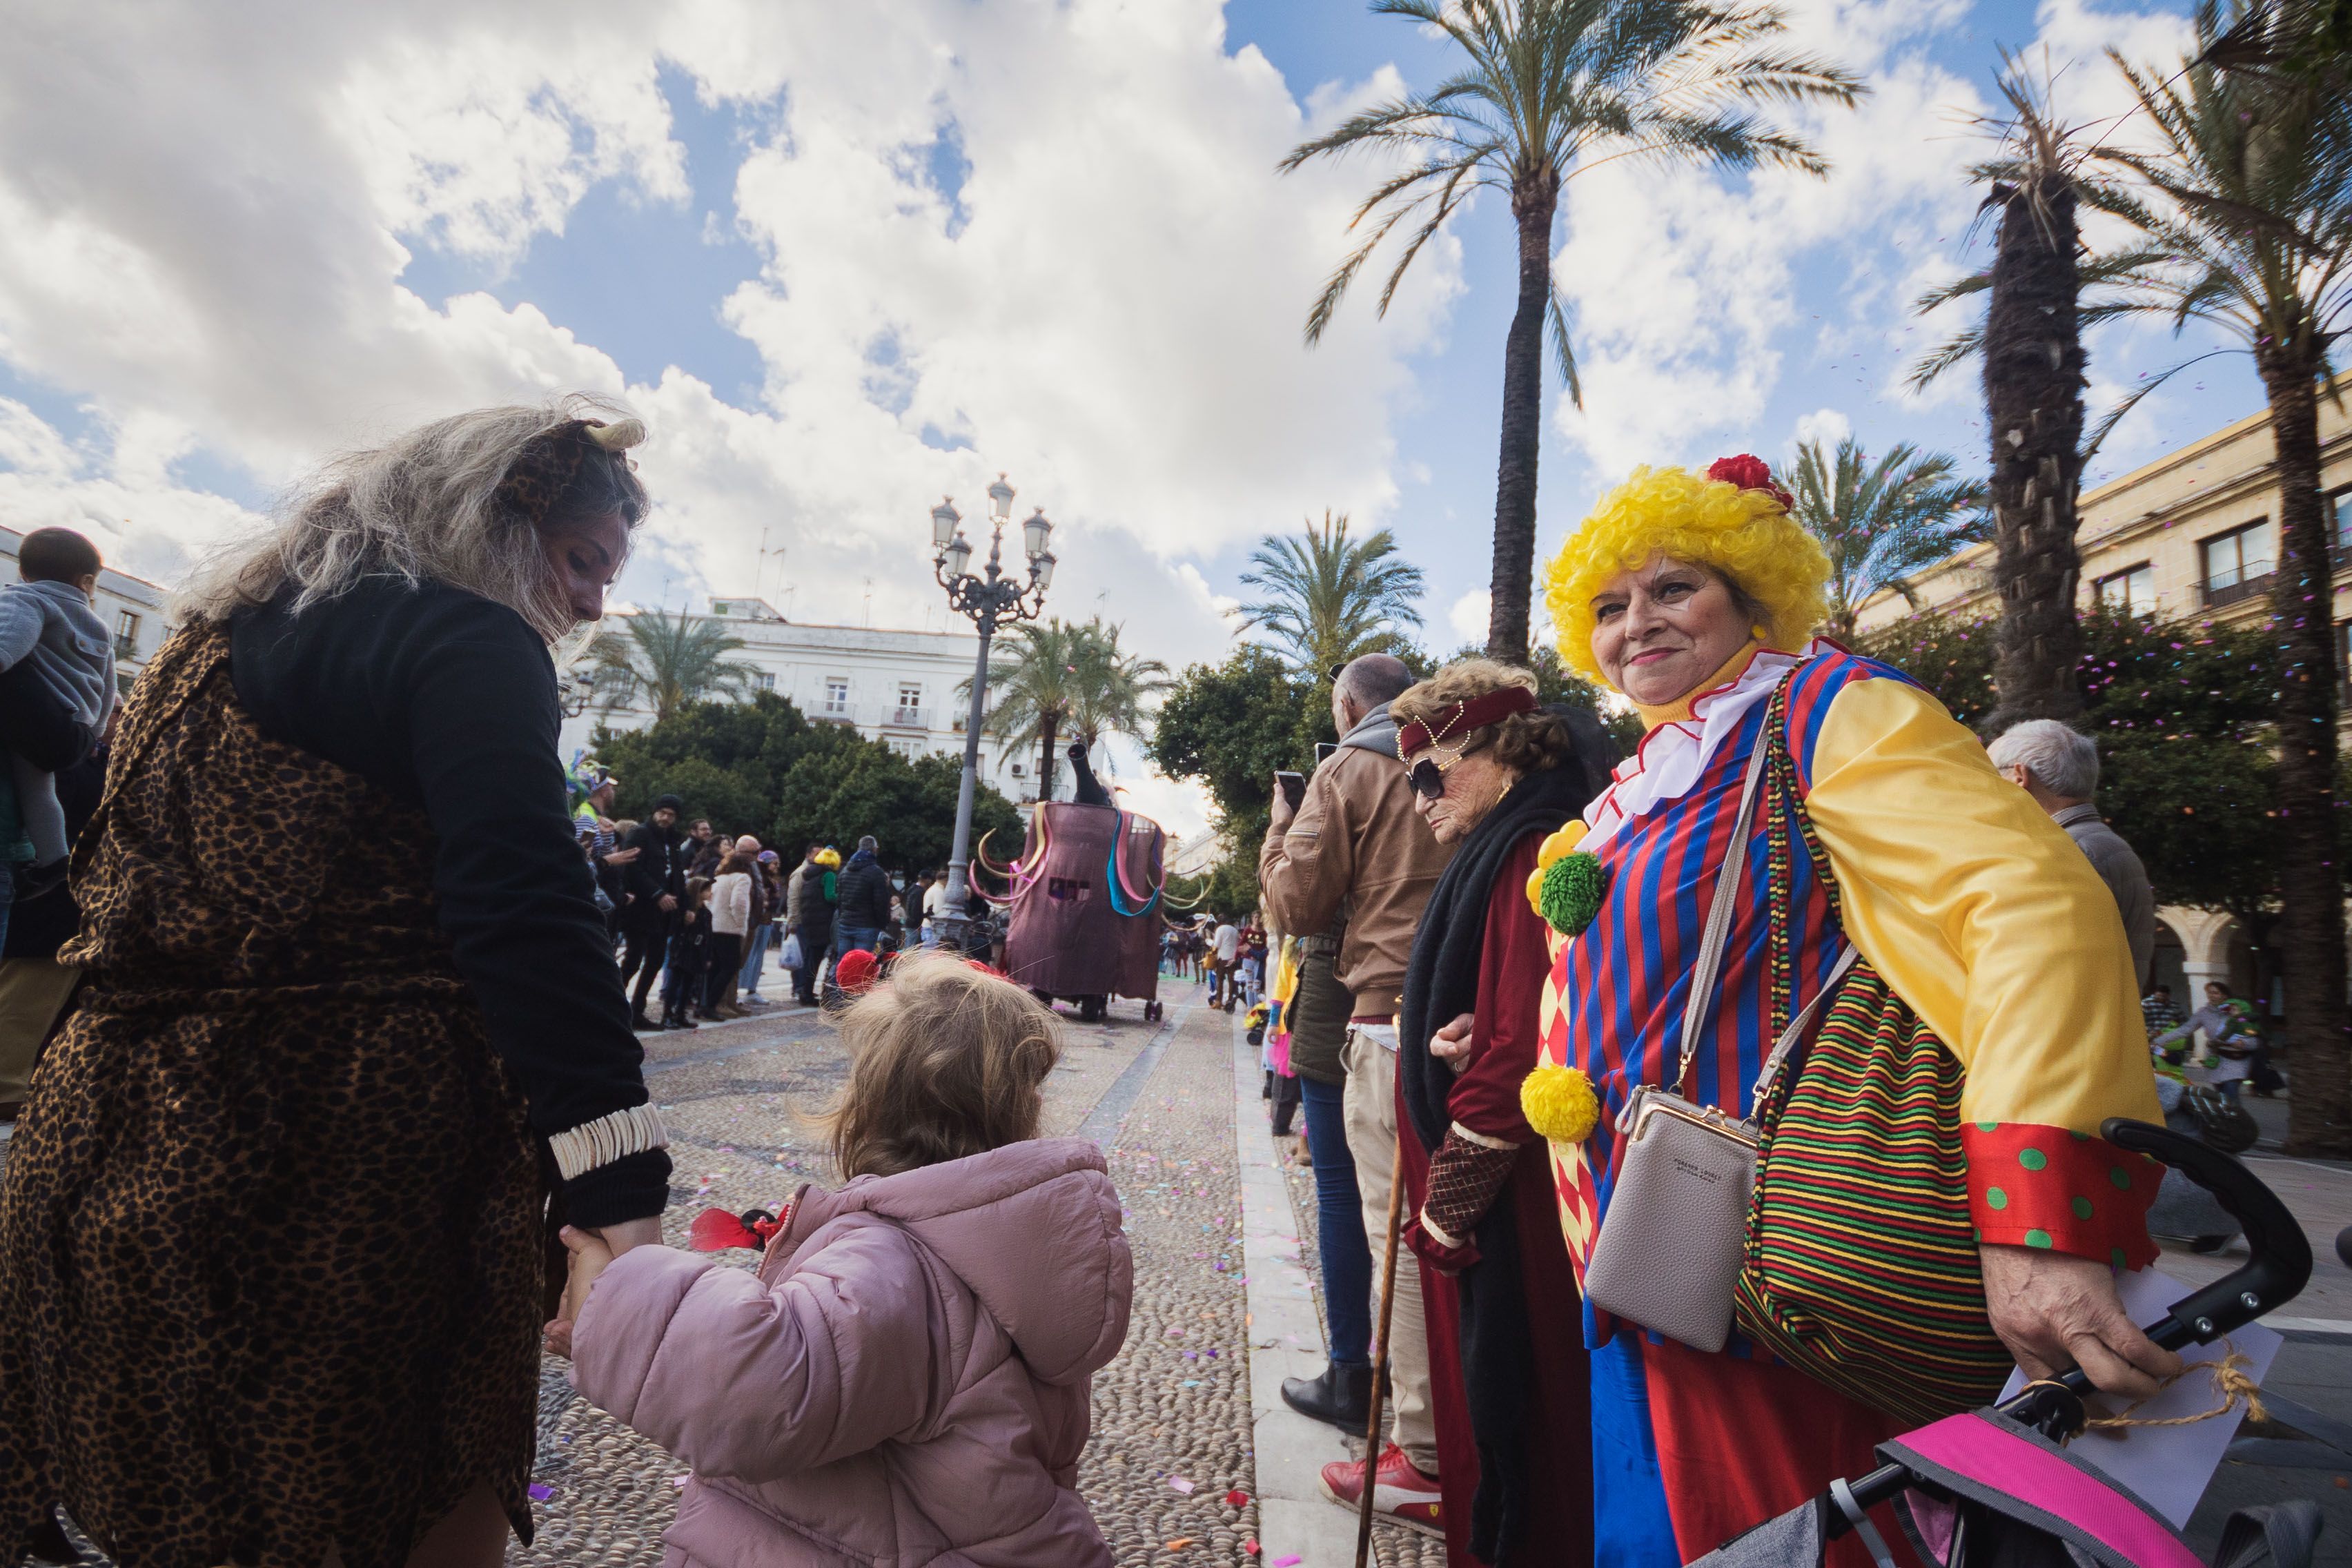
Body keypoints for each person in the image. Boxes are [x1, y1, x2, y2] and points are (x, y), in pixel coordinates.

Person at [0, 400, 674, 1568]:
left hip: (110, 1149)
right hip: (342, 1176)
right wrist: (616, 1178)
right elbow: (521, 905)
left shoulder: (196, 650)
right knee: (410, 1500)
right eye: (581, 562)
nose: (592, 603)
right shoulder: (466, 640)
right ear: (494, 519)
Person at [1531, 456, 2169, 1567]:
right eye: (1609, 605)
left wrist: (2043, 1221)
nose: (1637, 623)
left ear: (1753, 593)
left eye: (1674, 588)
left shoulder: (1830, 708)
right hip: (1645, 1263)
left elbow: (2034, 913)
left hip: (1775, 1259)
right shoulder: (1659, 767)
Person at [553, 952, 1133, 1567]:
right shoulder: (1004, 1248)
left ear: (865, 1104)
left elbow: (762, 1387)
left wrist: (616, 1299)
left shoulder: (895, 1259)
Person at [1394, 660, 1616, 1566]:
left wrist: (1447, 1209)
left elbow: (1528, 1054)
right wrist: (1466, 1031)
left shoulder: (1533, 848)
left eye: (1426, 775)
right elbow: (1525, 1012)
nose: (1419, 803)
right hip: (1520, 1186)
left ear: (1485, 747)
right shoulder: (1522, 835)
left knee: (1531, 1411)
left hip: (1524, 1200)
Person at [1259, 651, 1456, 1531]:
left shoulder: (1353, 762)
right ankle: (1448, 1417)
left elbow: (1294, 904)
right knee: (1449, 1222)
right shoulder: (1465, 752)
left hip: (1379, 1011)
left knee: (1381, 1217)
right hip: (1472, 1013)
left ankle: (1396, 1423)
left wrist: (1281, 826)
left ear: (1348, 705)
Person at [1987, 718, 2157, 988]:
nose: (1985, 788)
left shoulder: (2062, 852)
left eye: (1990, 774)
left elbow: (2038, 976)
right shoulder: (2101, 843)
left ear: (2019, 776)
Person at [0, 527, 117, 900]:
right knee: (40, 790)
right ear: (86, 582)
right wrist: (93, 733)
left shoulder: (25, 600)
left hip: (35, 718)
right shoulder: (99, 627)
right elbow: (108, 686)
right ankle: (54, 859)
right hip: (74, 729)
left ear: (24, 573)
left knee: (34, 788)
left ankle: (52, 860)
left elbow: (10, 644)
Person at [0, 736, 104, 1132]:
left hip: (72, 894)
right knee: (26, 987)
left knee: (43, 994)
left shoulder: (98, 761)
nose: (121, 717)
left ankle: (18, 1080)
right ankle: (7, 1084)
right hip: (53, 891)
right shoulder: (66, 760)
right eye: (114, 712)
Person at [619, 795, 689, 1028]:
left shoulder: (672, 841)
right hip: (641, 909)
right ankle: (611, 1007)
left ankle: (636, 1012)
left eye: (671, 815)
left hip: (665, 912)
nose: (666, 818)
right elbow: (633, 869)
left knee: (656, 960)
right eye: (663, 813)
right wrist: (657, 894)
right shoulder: (640, 834)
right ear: (655, 812)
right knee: (633, 959)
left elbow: (678, 875)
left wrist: (685, 906)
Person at [2153, 979, 2263, 1103]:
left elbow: (2253, 1037)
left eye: (2215, 993)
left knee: (2231, 1094)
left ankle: (2236, 1120)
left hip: (2236, 1060)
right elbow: (2184, 1030)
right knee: (2221, 1097)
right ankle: (2224, 1120)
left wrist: (2244, 1043)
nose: (2211, 996)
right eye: (2209, 993)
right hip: (2215, 1060)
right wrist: (2157, 1041)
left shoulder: (2238, 1011)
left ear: (2224, 995)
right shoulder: (2203, 1013)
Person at [705, 848, 754, 1020]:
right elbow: (739, 903)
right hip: (730, 928)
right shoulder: (743, 878)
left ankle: (705, 1004)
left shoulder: (719, 878)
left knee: (716, 968)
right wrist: (741, 924)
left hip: (714, 926)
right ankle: (711, 1005)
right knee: (730, 968)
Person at [787, 845, 839, 1006]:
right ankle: (808, 995)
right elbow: (830, 896)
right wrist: (844, 897)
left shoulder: (809, 874)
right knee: (815, 961)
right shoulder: (828, 875)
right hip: (822, 923)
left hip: (810, 922)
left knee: (810, 959)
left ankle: (805, 991)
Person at [664, 876, 714, 1030]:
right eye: (707, 890)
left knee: (688, 983)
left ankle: (680, 1013)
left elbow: (708, 936)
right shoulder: (686, 911)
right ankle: (668, 1014)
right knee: (675, 982)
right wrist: (685, 922)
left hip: (697, 952)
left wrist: (708, 956)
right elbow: (675, 929)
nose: (710, 893)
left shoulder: (705, 913)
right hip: (683, 950)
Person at [833, 834, 894, 959]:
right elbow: (881, 902)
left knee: (844, 963)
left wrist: (842, 917)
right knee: (861, 965)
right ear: (875, 849)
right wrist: (882, 923)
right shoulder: (876, 872)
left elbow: (839, 899)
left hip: (845, 923)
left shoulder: (845, 871)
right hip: (867, 926)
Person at [740, 848, 783, 1003]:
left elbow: (773, 901)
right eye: (773, 863)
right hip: (755, 921)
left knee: (758, 957)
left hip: (766, 920)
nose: (776, 866)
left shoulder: (773, 881)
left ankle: (752, 988)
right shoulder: (757, 878)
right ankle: (741, 988)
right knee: (748, 955)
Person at [2143, 981, 2186, 1063]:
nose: (2161, 998)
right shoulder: (2146, 1004)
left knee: (2169, 1059)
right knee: (2156, 1059)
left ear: (2168, 996)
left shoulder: (2174, 1005)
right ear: (2155, 994)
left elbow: (2183, 1021)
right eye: (2158, 996)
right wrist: (2149, 1031)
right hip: (2152, 1038)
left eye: (2163, 997)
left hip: (2170, 1039)